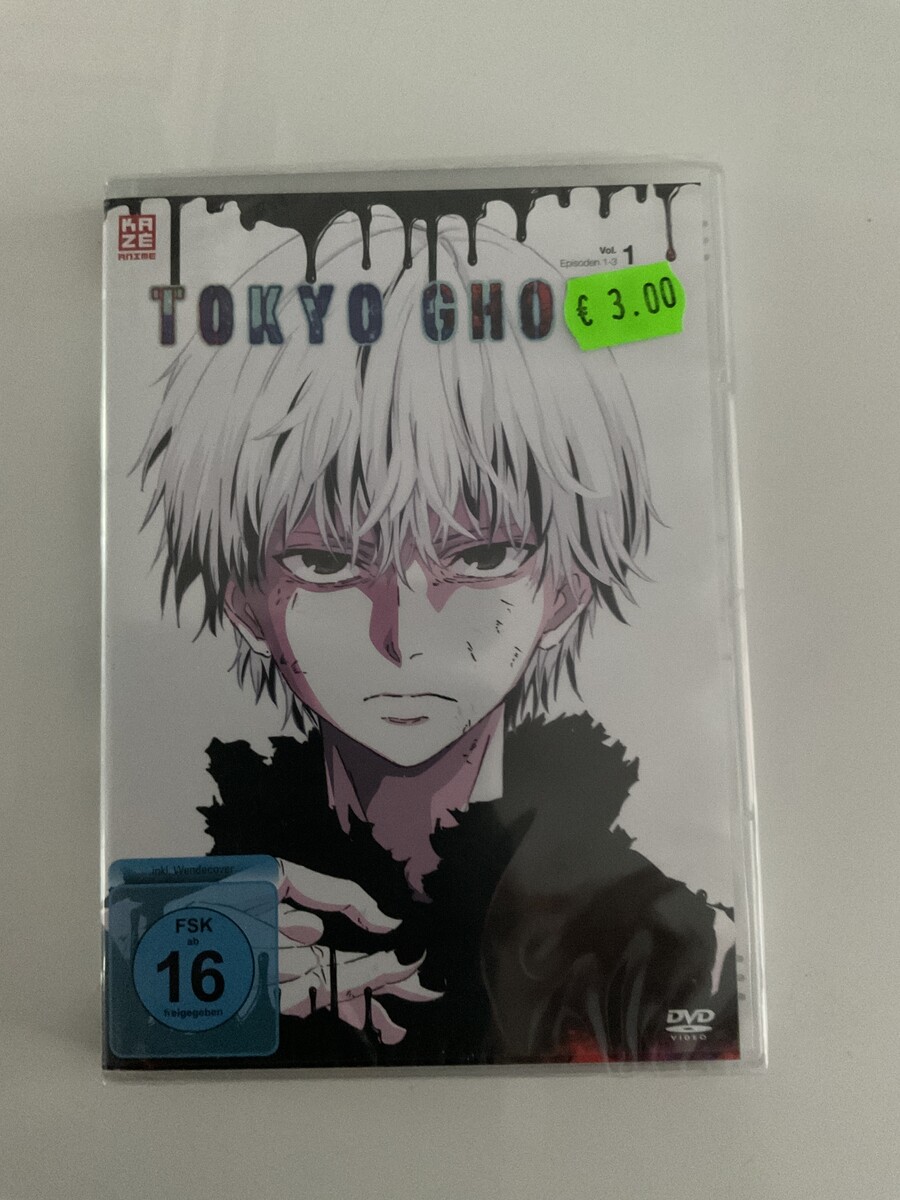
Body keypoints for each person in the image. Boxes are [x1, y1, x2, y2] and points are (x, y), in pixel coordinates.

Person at [138, 214, 738, 1065]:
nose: (404, 634)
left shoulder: (665, 944)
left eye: (481, 556)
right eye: (327, 562)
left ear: (567, 587)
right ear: (244, 598)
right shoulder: (198, 908)